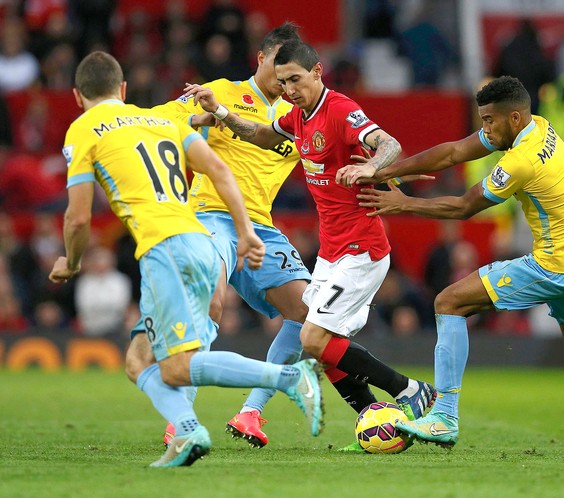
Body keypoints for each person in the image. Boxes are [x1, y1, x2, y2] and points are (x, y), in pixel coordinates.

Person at [337, 76, 564, 454]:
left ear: (513, 117)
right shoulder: (539, 127)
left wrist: (403, 205)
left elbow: (465, 206)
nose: (484, 129)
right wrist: (384, 170)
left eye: (489, 121)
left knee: (449, 302)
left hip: (556, 265)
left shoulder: (521, 161)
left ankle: (444, 416)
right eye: (482, 120)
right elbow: (453, 152)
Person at [49, 51, 324, 468]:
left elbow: (77, 217)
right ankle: (187, 429)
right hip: (197, 237)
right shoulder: (160, 122)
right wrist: (246, 231)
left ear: (76, 95)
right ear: (123, 91)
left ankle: (286, 377)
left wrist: (70, 263)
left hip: (166, 248)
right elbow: (219, 169)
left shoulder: (84, 128)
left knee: (177, 367)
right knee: (139, 360)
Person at [183, 38, 436, 451]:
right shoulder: (299, 116)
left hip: (361, 249)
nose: (289, 90)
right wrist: (221, 114)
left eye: (296, 80)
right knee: (314, 336)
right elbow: (262, 135)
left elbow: (389, 143)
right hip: (333, 251)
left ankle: (408, 389)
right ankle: (372, 417)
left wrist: (371, 166)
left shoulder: (340, 110)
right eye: (283, 83)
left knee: (314, 339)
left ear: (318, 72)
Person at [145, 21, 311, 449]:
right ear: (261, 58)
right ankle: (180, 418)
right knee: (212, 303)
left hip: (261, 227)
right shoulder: (221, 91)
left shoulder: (298, 115)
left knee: (308, 315)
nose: (284, 76)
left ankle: (250, 413)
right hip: (210, 216)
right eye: (278, 64)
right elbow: (157, 121)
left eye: (293, 70)